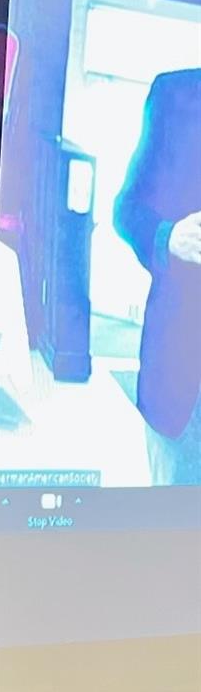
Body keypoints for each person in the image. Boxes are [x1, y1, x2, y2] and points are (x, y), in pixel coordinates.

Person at [114, 66, 201, 485]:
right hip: (182, 380)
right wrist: (167, 237)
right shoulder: (175, 93)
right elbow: (126, 208)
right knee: (173, 515)